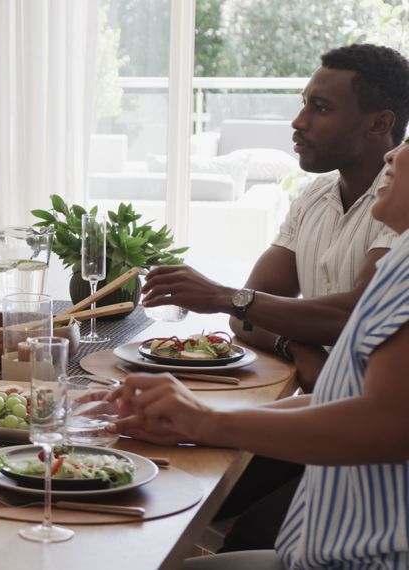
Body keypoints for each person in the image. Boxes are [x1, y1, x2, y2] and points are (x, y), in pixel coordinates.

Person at [139, 44, 409, 552]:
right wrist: (300, 348)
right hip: (316, 400)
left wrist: (228, 298)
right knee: (169, 473)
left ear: (380, 124)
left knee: (231, 518)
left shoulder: (400, 206)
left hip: (351, 442)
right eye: (304, 103)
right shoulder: (315, 195)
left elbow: (351, 314)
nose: (299, 121)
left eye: (321, 109)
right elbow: (247, 310)